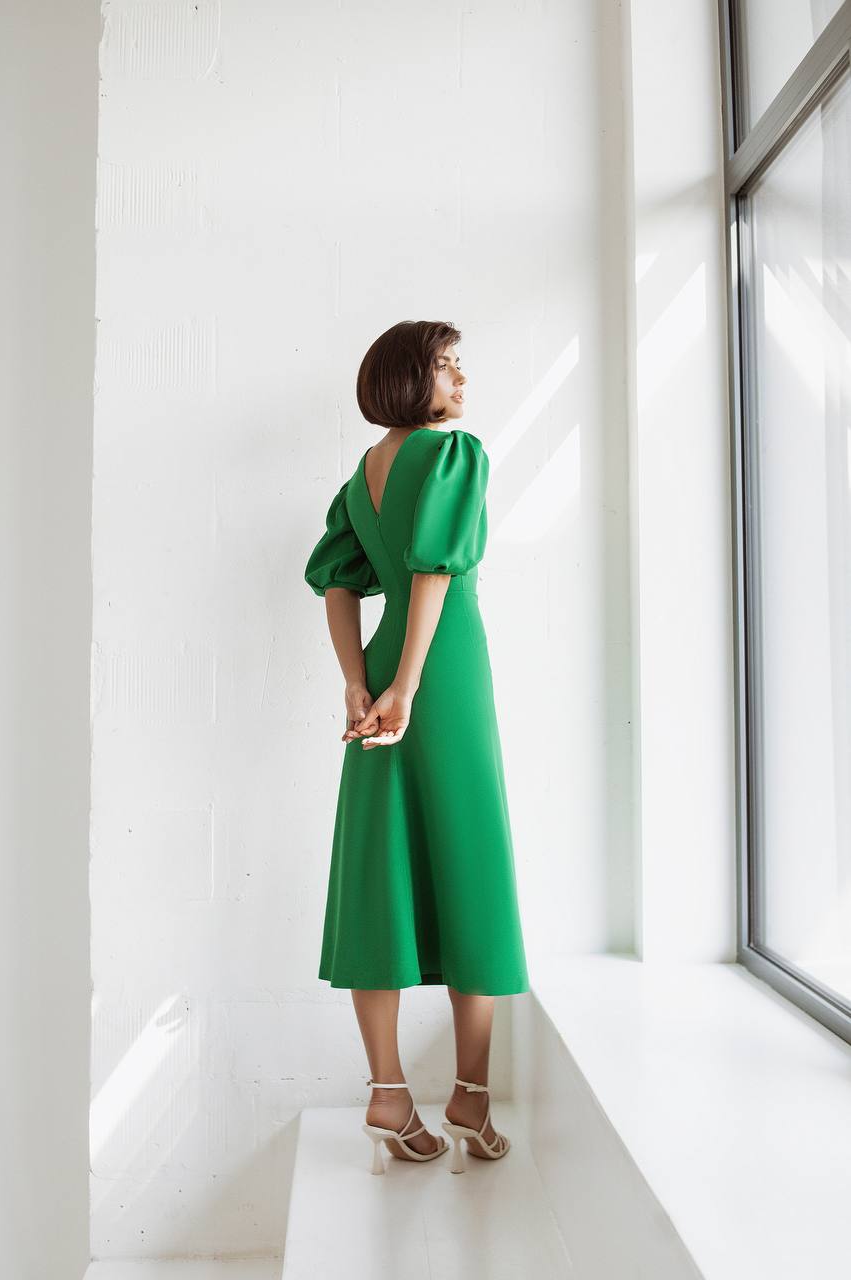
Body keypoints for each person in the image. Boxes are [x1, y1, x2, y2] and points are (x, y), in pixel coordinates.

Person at [304, 320, 529, 1175]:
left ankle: (388, 1091)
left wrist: (358, 682)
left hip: (384, 662)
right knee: (470, 859)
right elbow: (434, 572)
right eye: (444, 364)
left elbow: (334, 581)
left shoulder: (363, 477)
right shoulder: (451, 454)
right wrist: (406, 683)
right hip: (444, 667)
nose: (460, 378)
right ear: (407, 377)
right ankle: (469, 1094)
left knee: (380, 866)